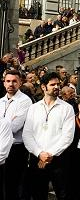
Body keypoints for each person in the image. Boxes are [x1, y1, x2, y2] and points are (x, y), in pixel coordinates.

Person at [22, 71, 75, 200]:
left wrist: (49, 154)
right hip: (37, 159)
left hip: (59, 159)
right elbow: (27, 134)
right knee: (38, 194)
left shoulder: (67, 108)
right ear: (44, 87)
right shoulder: (34, 108)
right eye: (52, 84)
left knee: (63, 194)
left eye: (58, 84)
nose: (57, 87)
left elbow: (67, 136)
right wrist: (39, 153)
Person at [1, 70, 32, 200]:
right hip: (1, 148)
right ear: (4, 83)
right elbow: (8, 125)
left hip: (16, 150)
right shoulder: (1, 101)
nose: (11, 84)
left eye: (14, 81)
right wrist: (8, 121)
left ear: (20, 83)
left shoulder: (25, 101)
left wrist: (5, 123)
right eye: (8, 81)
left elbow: (14, 127)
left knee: (13, 187)